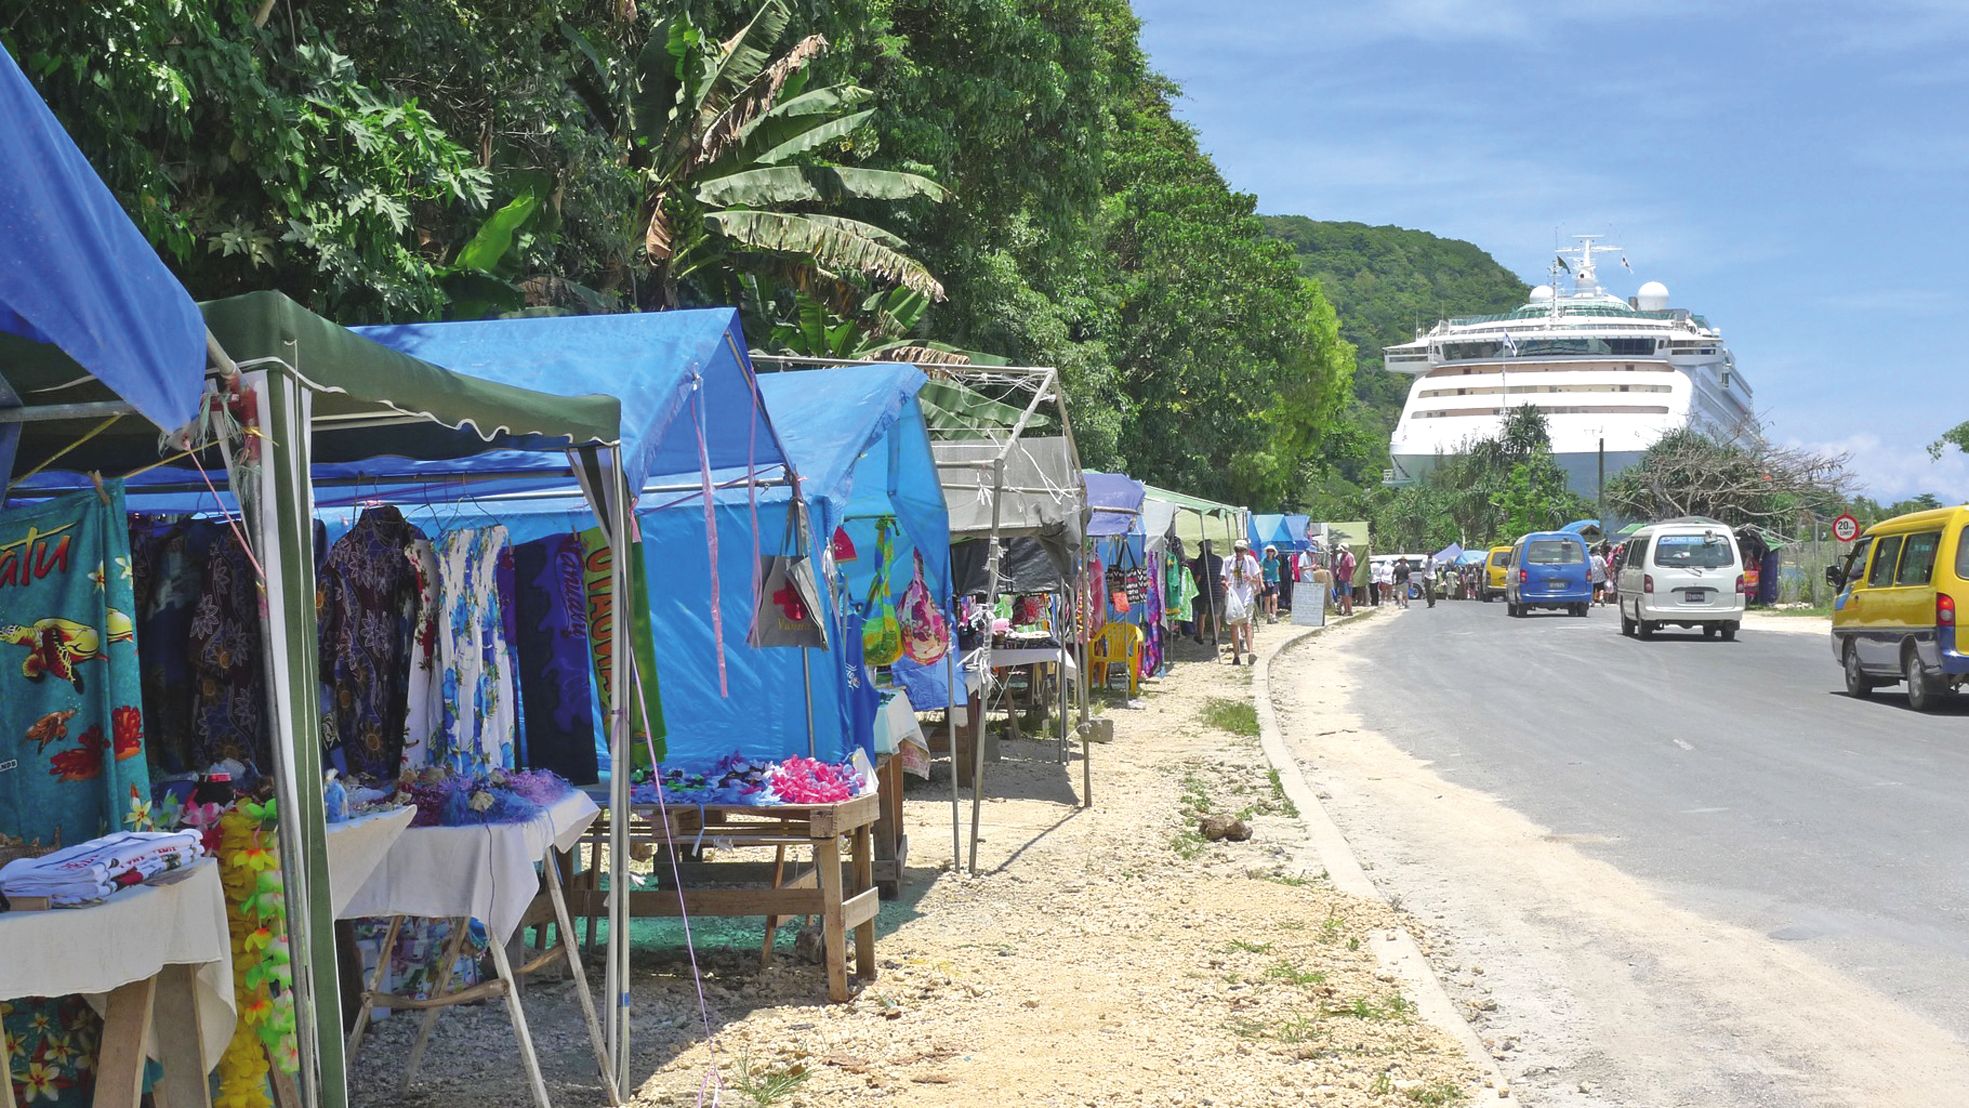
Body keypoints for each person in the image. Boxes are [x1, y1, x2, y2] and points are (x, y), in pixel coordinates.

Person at [1221, 538, 1263, 664]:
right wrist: (1225, 584)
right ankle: (1236, 655)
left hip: (1247, 597)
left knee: (1247, 625)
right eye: (1237, 550)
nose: (1239, 552)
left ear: (1245, 551)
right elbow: (1223, 579)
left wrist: (1250, 579)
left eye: (1241, 550)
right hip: (1233, 598)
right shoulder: (1228, 561)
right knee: (1234, 626)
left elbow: (1257, 580)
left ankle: (1251, 652)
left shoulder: (1250, 561)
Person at [1260, 544, 1282, 623]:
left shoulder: (1276, 562)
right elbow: (1260, 573)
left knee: (1274, 598)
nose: (1270, 552)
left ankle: (1274, 615)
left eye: (1271, 551)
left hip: (1275, 581)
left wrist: (1278, 584)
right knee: (1267, 599)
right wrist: (1261, 583)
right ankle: (1268, 616)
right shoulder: (1263, 561)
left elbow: (1277, 573)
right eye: (1268, 551)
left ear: (1274, 552)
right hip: (1266, 581)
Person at [1334, 545, 1356, 616]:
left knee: (1347, 595)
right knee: (1344, 595)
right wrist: (1338, 570)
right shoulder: (1342, 556)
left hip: (1347, 579)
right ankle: (1346, 610)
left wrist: (1350, 578)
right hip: (1342, 578)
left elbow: (1352, 568)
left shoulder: (1349, 556)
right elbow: (1341, 566)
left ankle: (1349, 610)